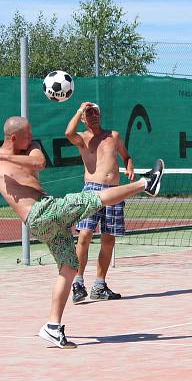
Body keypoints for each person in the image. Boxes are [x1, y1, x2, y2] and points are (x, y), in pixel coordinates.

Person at [0, 116, 164, 348]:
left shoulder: (31, 149)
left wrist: (6, 156)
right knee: (91, 199)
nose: (31, 137)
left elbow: (39, 163)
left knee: (69, 267)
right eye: (27, 134)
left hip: (48, 214)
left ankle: (52, 326)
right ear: (13, 137)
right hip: (40, 214)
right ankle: (145, 184)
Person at [64, 102, 132, 302]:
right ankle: (78, 282)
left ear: (99, 115)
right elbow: (68, 132)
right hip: (91, 191)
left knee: (108, 239)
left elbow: (127, 157)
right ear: (83, 118)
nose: (92, 115)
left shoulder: (114, 136)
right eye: (88, 113)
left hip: (115, 192)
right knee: (84, 236)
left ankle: (99, 286)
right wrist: (79, 109)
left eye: (95, 112)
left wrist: (129, 167)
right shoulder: (82, 138)